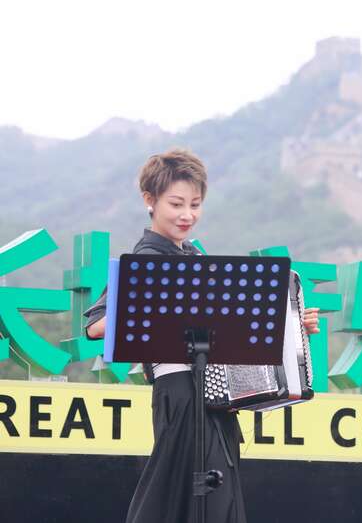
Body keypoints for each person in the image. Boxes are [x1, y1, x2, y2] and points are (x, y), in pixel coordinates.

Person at [84, 148, 320, 523]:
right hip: (180, 392)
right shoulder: (147, 258)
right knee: (180, 500)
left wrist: (291, 325)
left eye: (195, 205)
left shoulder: (192, 258)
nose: (187, 215)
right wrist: (159, 300)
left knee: (210, 498)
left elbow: (231, 329)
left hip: (212, 398)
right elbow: (95, 325)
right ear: (149, 200)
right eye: (176, 204)